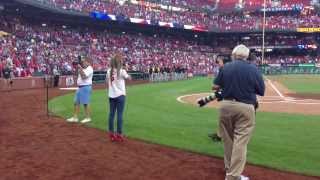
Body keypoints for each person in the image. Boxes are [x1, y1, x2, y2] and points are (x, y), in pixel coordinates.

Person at [213, 45, 265, 180]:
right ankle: (233, 176)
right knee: (240, 143)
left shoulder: (226, 67)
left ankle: (230, 170)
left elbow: (215, 86)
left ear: (234, 54)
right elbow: (261, 90)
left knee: (228, 141)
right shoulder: (253, 68)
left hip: (226, 106)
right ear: (246, 56)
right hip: (245, 107)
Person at [107, 54, 131, 142]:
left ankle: (111, 134)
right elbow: (129, 78)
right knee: (119, 115)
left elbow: (107, 81)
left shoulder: (109, 71)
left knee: (111, 114)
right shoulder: (122, 71)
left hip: (111, 95)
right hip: (120, 95)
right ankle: (119, 134)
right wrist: (126, 70)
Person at [208, 55, 231, 142]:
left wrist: (217, 86)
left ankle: (223, 136)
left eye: (219, 61)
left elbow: (214, 86)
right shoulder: (232, 69)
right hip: (240, 99)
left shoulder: (223, 69)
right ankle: (219, 135)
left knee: (225, 119)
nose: (218, 63)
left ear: (223, 62)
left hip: (229, 99)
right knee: (223, 119)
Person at [67, 56, 93, 123]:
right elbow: (76, 75)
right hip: (80, 87)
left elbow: (84, 77)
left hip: (86, 87)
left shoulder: (90, 69)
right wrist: (76, 68)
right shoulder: (82, 68)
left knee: (85, 103)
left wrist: (80, 68)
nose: (82, 63)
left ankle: (88, 117)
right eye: (82, 62)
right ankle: (75, 117)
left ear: (87, 62)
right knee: (76, 102)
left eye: (83, 62)